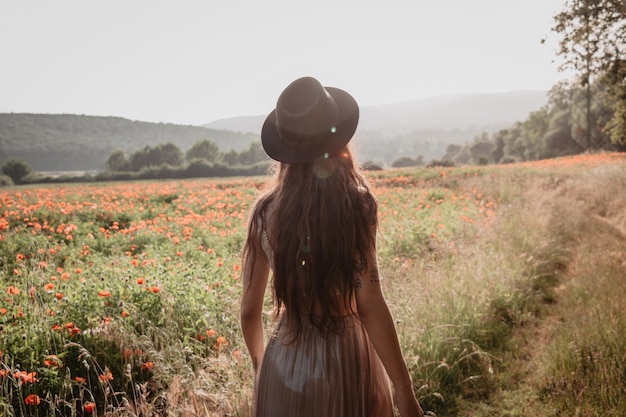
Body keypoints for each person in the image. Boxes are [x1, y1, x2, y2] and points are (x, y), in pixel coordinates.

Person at [240, 76, 424, 417]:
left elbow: (250, 311)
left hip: (283, 359)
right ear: (338, 138)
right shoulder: (357, 205)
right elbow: (369, 303)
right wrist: (404, 389)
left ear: (286, 148)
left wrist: (261, 369)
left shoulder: (264, 213)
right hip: (347, 358)